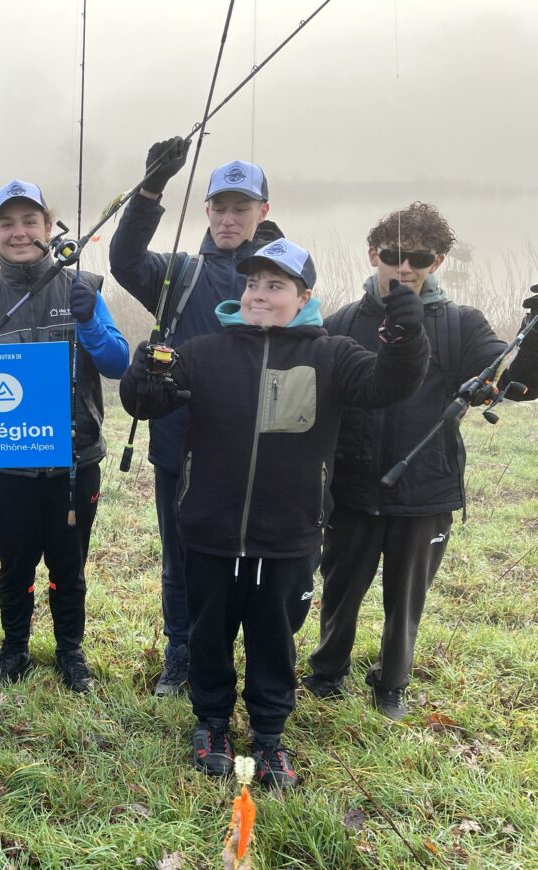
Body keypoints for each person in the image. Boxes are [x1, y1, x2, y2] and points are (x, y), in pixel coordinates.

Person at [120, 239, 429, 788]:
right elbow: (145, 404)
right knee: (208, 635)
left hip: (288, 537)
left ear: (303, 295)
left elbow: (390, 383)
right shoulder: (204, 350)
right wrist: (141, 374)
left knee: (275, 640)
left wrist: (408, 334)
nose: (258, 295)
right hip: (210, 534)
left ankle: (268, 736)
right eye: (252, 284)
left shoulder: (332, 354)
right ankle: (211, 725)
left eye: (275, 286)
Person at [302, 203, 538, 719]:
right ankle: (326, 672)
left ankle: (391, 683)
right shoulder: (341, 321)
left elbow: (517, 381)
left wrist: (534, 333)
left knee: (405, 600)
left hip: (425, 490)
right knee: (340, 589)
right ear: (373, 255)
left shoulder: (462, 325)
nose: (404, 268)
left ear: (439, 261)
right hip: (353, 489)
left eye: (419, 258)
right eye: (393, 255)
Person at [109, 143, 283, 696]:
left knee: (253, 554)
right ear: (206, 210)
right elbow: (123, 259)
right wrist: (150, 190)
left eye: (242, 208)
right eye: (220, 208)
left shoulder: (283, 275)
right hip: (180, 445)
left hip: (257, 448)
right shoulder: (176, 273)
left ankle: (251, 654)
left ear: (262, 209)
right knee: (179, 556)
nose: (230, 219)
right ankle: (181, 652)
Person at [0, 179, 129, 693]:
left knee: (68, 566)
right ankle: (14, 649)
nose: (19, 232)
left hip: (74, 461)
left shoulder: (84, 286)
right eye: (7, 223)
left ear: (49, 230)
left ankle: (71, 652)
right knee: (14, 563)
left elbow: (117, 362)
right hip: (7, 466)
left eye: (30, 221)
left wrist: (89, 319)